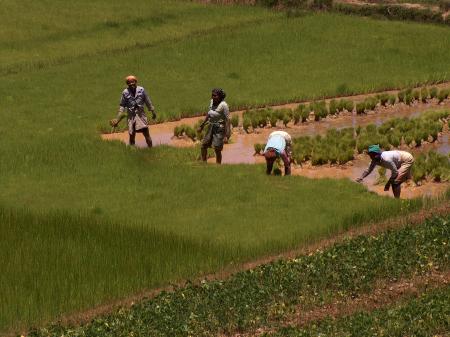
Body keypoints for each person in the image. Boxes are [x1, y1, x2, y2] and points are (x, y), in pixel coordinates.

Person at [110, 75, 156, 147]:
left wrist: (153, 112)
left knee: (146, 134)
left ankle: (151, 149)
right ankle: (132, 150)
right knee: (132, 135)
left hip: (141, 116)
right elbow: (122, 106)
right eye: (129, 84)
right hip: (131, 117)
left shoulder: (141, 90)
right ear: (127, 84)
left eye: (133, 83)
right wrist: (117, 118)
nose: (131, 85)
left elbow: (148, 102)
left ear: (136, 82)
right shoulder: (125, 92)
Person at [197, 88, 230, 164]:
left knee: (217, 149)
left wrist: (227, 135)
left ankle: (218, 166)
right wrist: (202, 125)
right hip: (211, 126)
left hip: (219, 128)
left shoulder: (224, 105)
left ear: (220, 96)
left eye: (215, 96)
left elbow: (228, 120)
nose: (213, 97)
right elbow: (209, 114)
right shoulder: (212, 102)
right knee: (203, 145)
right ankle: (204, 163)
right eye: (212, 95)